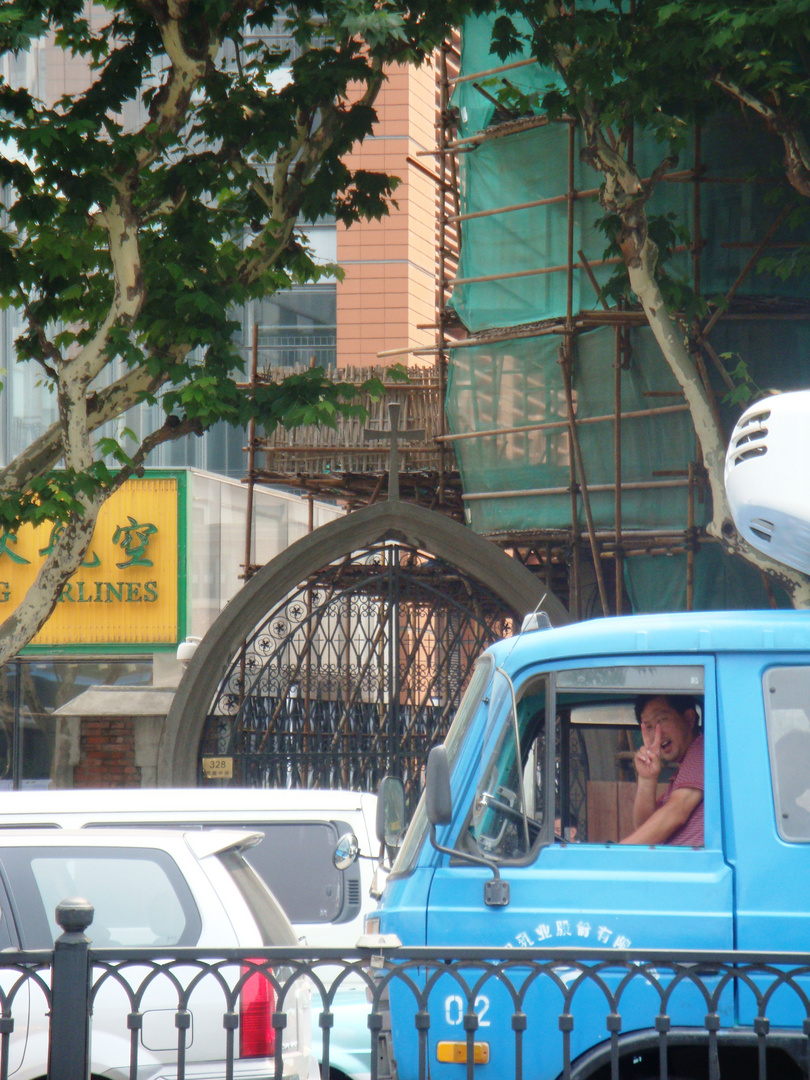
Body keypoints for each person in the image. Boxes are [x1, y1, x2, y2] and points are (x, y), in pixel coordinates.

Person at [620, 694, 704, 847]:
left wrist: (616, 855)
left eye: (662, 720)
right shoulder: (681, 775)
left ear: (689, 719)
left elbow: (676, 813)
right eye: (649, 727)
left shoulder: (703, 748)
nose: (657, 734)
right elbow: (647, 828)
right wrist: (647, 780)